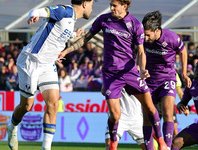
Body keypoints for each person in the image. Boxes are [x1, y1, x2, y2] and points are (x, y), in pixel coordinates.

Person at [58, 1, 167, 150]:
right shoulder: (103, 19)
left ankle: (160, 141)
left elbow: (141, 51)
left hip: (130, 72)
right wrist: (67, 50)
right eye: (111, 4)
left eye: (115, 5)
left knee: (150, 107)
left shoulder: (135, 24)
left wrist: (142, 69)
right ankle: (114, 142)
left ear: (125, 5)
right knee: (115, 116)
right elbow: (86, 38)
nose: (112, 8)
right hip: (110, 74)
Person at [7, 0, 94, 150]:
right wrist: (33, 15)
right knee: (27, 106)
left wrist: (74, 34)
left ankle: (46, 148)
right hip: (31, 61)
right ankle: (12, 126)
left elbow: (57, 33)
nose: (93, 8)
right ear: (85, 3)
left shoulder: (71, 19)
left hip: (47, 64)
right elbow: (38, 11)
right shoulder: (65, 11)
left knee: (53, 104)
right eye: (92, 3)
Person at [142, 10, 191, 150]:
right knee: (147, 116)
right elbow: (141, 52)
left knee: (168, 111)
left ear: (157, 30)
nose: (145, 38)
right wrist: (141, 69)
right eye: (144, 34)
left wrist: (184, 73)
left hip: (167, 79)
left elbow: (183, 51)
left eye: (148, 35)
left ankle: (167, 147)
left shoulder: (171, 37)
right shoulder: (142, 38)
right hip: (150, 80)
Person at [172, 62, 198, 150]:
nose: (197, 71)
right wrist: (181, 105)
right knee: (176, 142)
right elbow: (183, 102)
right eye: (196, 69)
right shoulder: (191, 85)